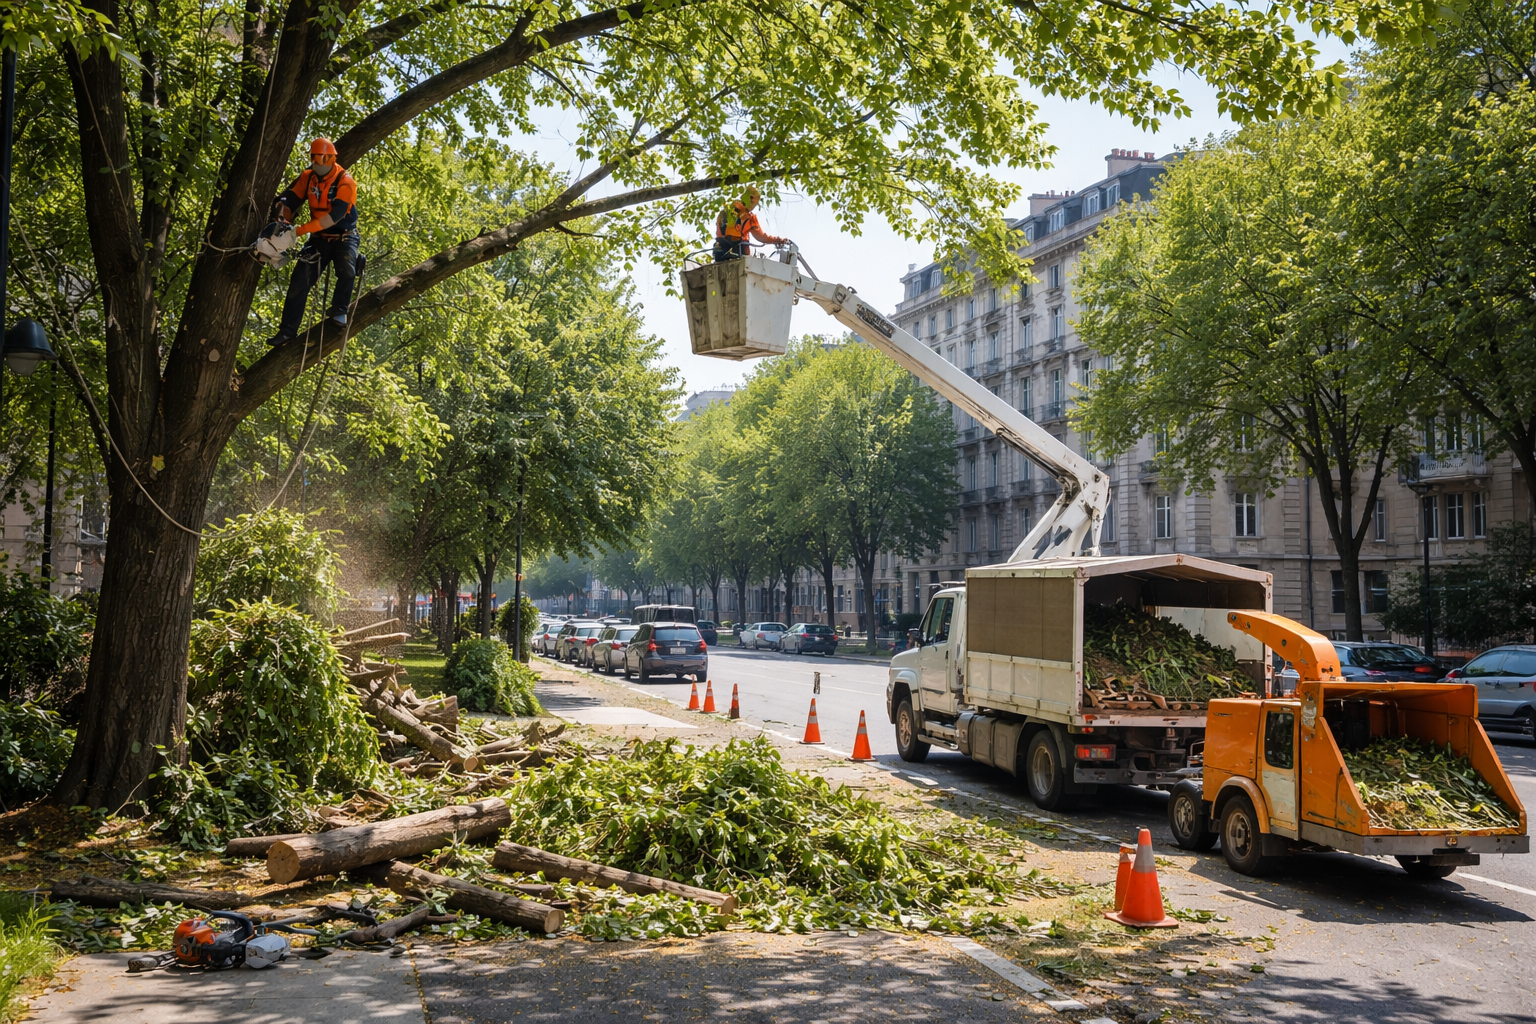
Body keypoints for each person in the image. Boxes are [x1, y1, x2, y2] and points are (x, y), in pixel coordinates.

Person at [265, 138, 360, 346]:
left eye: (324, 158)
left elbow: (332, 217)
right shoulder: (308, 178)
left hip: (344, 236)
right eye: (316, 158)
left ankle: (340, 311)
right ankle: (287, 331)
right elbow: (290, 199)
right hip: (319, 239)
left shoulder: (346, 182)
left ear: (333, 158)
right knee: (300, 280)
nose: (320, 163)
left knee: (346, 269)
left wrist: (298, 231)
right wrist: (282, 218)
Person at [713, 185, 787, 262]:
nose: (754, 205)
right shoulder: (731, 212)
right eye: (753, 200)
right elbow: (728, 233)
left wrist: (776, 240)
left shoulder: (750, 218)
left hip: (730, 252)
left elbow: (760, 236)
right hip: (728, 250)